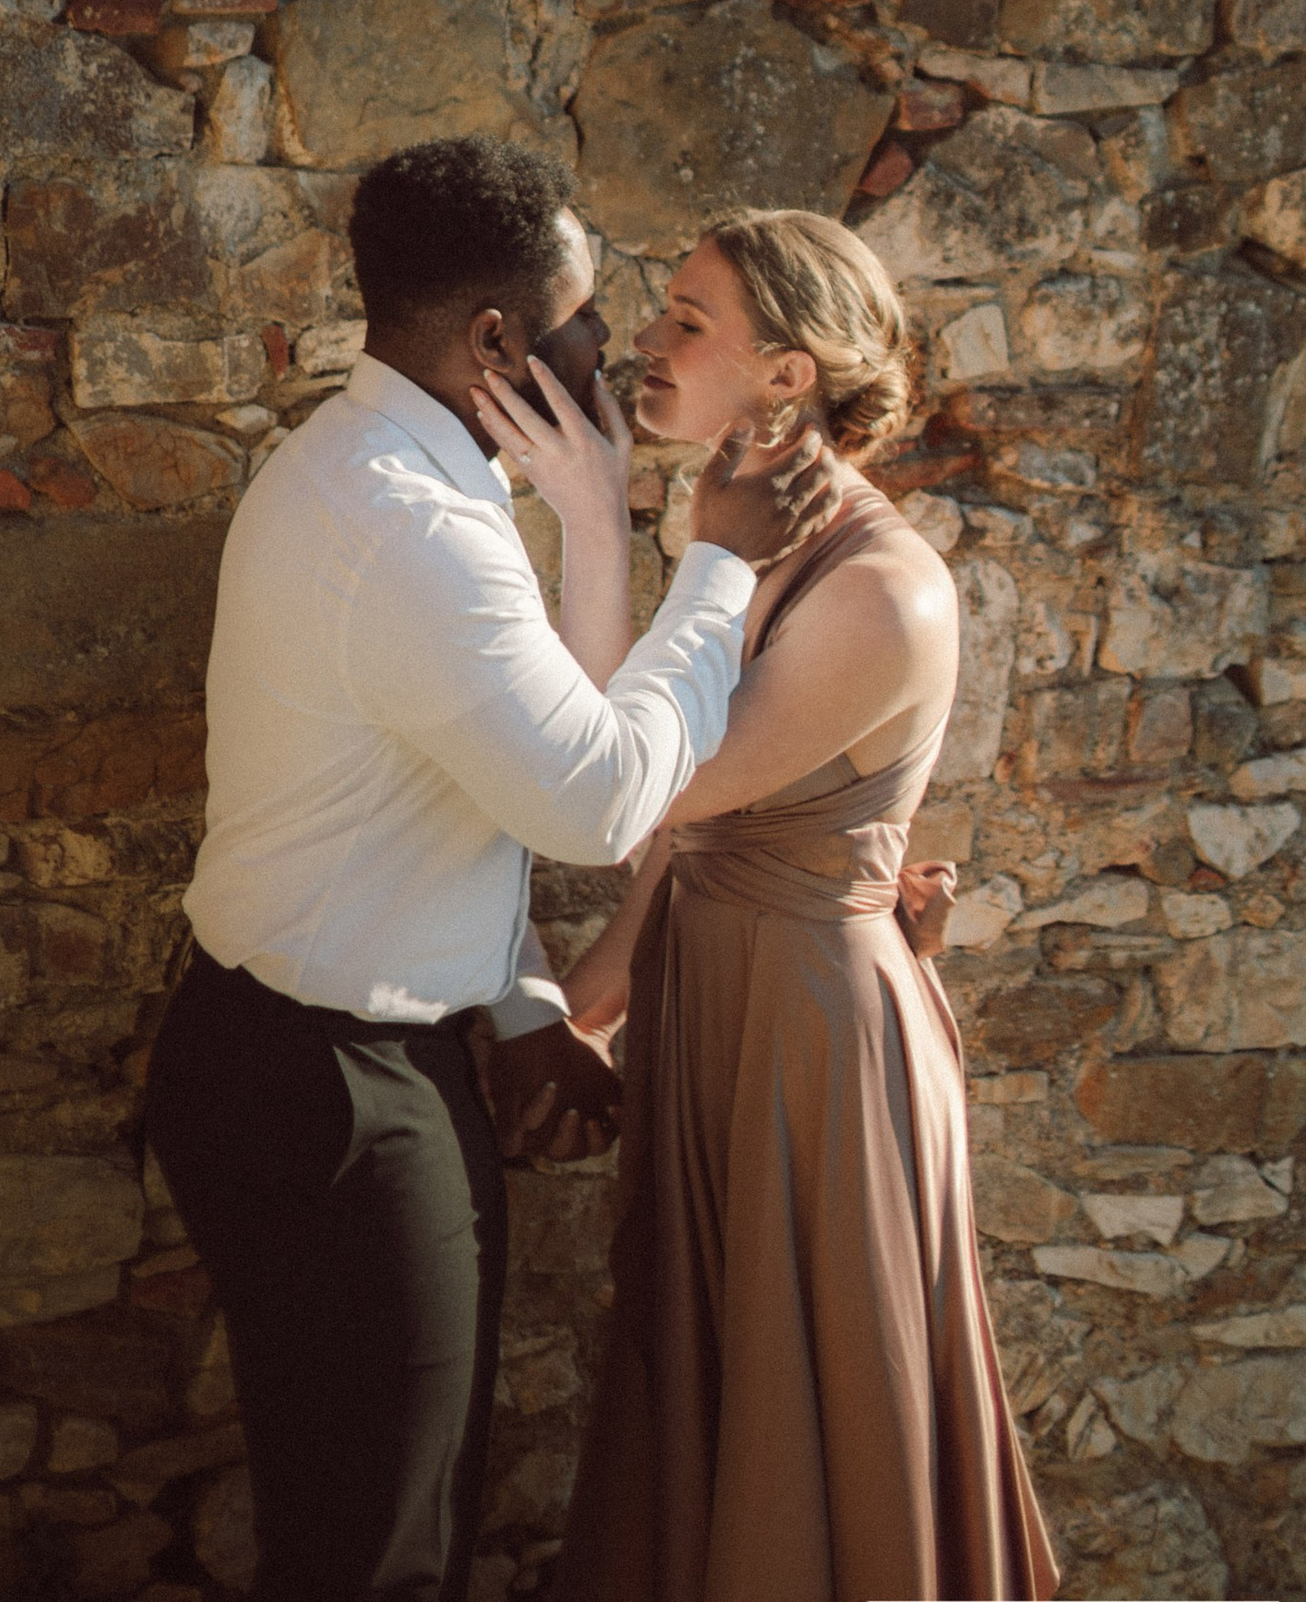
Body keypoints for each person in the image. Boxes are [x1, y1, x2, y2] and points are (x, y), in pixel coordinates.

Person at [144, 136, 834, 1602]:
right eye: (591, 316)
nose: (620, 344)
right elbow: (593, 801)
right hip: (329, 1095)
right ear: (500, 340)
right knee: (378, 1558)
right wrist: (716, 565)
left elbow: (520, 759)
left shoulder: (391, 472)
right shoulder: (409, 528)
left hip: (322, 1050)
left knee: (382, 1526)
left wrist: (516, 999)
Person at [504, 208, 1058, 1602]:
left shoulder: (882, 591)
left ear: (791, 376)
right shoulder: (748, 549)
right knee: (708, 1382)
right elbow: (697, 851)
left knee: (814, 1403)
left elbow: (663, 790)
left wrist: (601, 521)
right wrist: (586, 1009)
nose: (646, 336)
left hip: (817, 1049)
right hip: (719, 1003)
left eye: (689, 320)